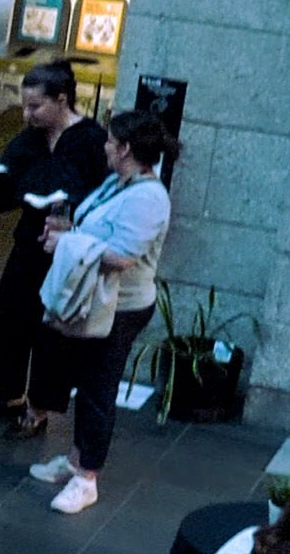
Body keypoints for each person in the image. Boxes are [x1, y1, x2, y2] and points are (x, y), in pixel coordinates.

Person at [26, 107, 177, 517]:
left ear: (125, 148)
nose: (105, 146)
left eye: (111, 141)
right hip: (97, 301)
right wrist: (68, 232)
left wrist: (67, 245)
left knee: (98, 389)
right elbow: (95, 230)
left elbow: (123, 256)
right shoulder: (118, 183)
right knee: (86, 383)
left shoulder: (149, 198)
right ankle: (77, 459)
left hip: (120, 309)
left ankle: (87, 477)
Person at [0, 62, 110, 437]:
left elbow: (101, 195)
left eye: (35, 106)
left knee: (51, 331)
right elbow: (4, 184)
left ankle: (38, 409)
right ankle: (10, 396)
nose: (27, 114)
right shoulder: (31, 139)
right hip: (30, 241)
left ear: (62, 99)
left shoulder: (90, 140)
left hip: (66, 250)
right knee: (9, 318)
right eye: (25, 105)